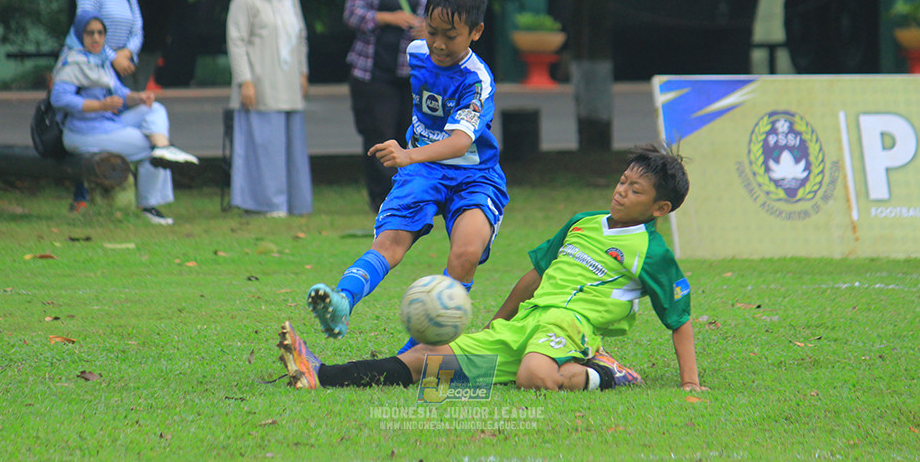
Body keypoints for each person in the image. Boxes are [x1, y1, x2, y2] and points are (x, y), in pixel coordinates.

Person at [280, 145, 706, 393]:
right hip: (526, 322)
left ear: (659, 208)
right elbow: (534, 277)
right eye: (622, 180)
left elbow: (679, 318)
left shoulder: (651, 251)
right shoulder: (583, 222)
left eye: (635, 189)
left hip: (570, 325)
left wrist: (689, 383)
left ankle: (607, 371)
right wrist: (495, 323)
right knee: (424, 361)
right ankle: (319, 374)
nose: (621, 191)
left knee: (534, 376)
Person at [308, 0, 508, 352]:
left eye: (451, 36)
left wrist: (406, 153)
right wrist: (412, 156)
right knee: (390, 243)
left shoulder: (476, 79)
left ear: (476, 33)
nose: (438, 43)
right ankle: (341, 302)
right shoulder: (416, 52)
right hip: (423, 171)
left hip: (474, 176)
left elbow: (459, 141)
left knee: (465, 252)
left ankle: (421, 349)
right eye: (432, 31)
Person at [50, 12, 199, 226]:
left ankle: (164, 148)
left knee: (154, 109)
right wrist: (99, 106)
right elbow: (59, 99)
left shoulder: (102, 62)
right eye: (89, 33)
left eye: (100, 33)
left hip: (107, 123)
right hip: (83, 133)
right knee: (147, 147)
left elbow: (120, 95)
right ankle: (148, 206)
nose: (96, 38)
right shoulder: (72, 62)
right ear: (78, 34)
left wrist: (138, 98)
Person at [344, 0, 441, 213]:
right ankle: (381, 199)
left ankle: (412, 197)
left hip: (417, 74)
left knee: (414, 135)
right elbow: (351, 14)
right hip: (375, 71)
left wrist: (429, 29)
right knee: (379, 134)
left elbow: (448, 20)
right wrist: (387, 17)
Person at [226, 0, 311, 218]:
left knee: (289, 147)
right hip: (260, 82)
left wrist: (302, 71)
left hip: (287, 83)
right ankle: (265, 204)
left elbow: (299, 37)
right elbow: (236, 41)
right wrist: (245, 81)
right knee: (263, 146)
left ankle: (293, 203)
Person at [69, 0, 145, 212]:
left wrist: (127, 54)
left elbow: (137, 30)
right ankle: (81, 197)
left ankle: (114, 191)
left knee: (113, 126)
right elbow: (85, 29)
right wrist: (111, 57)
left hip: (121, 69)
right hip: (92, 69)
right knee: (90, 126)